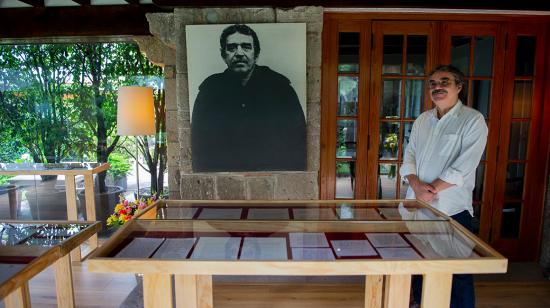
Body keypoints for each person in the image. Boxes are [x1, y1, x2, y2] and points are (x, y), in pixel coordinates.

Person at [399, 64, 488, 308]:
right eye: (432, 83)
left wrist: (432, 190)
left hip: (452, 209)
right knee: (419, 263)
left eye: (444, 82)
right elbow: (410, 157)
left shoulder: (473, 120)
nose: (437, 87)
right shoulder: (422, 120)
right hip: (417, 205)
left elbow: (464, 166)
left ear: (458, 87)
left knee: (457, 269)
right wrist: (417, 186)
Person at [191, 24, 306, 172]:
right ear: (223, 55)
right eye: (232, 47)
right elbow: (199, 146)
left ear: (256, 54)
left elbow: (298, 142)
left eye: (246, 47)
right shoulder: (208, 92)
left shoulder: (280, 88)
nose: (239, 53)